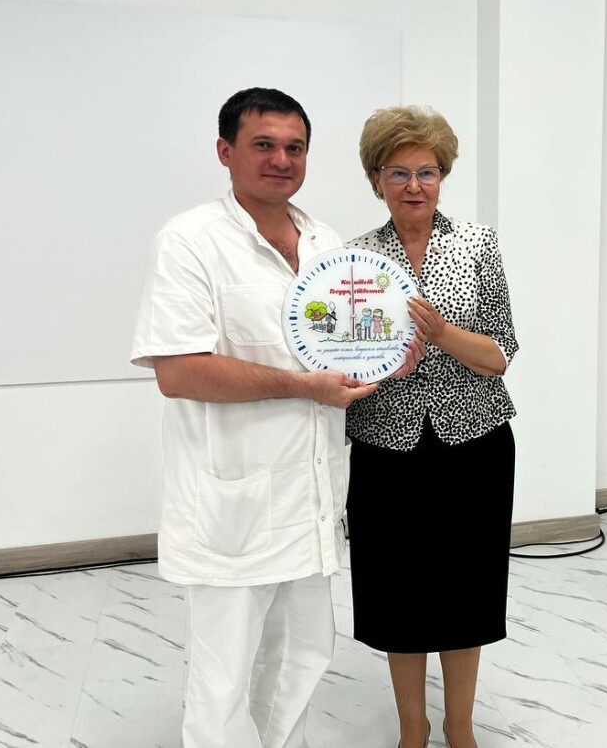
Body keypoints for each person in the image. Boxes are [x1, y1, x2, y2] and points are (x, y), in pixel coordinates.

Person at [130, 88, 420, 748]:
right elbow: (178, 372)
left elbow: (337, 357)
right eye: (263, 145)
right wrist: (303, 388)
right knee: (224, 677)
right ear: (225, 151)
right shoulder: (190, 241)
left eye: (295, 147)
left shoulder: (324, 242)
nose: (281, 160)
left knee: (302, 657)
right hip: (233, 503)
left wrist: (382, 365)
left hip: (310, 497)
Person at [345, 106, 518, 748]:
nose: (414, 185)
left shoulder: (476, 245)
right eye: (398, 172)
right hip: (385, 444)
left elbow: (500, 353)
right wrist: (379, 367)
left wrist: (442, 334)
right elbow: (339, 361)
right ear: (376, 179)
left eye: (427, 171)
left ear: (443, 176)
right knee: (398, 594)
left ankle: (460, 727)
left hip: (473, 442)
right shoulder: (354, 260)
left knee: (467, 592)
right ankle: (412, 729)